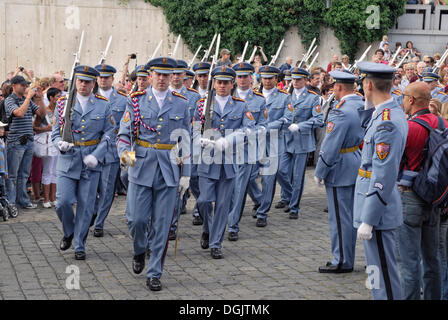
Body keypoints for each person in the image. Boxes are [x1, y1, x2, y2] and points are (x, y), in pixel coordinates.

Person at [117, 57, 191, 291]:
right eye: (157, 74)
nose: (161, 79)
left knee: (162, 225)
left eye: (166, 75)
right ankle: (140, 249)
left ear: (172, 77)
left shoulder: (181, 103)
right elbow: (124, 135)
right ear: (150, 76)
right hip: (141, 168)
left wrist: (186, 174)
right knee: (136, 220)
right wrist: (127, 160)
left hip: (169, 170)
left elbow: (185, 140)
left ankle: (155, 272)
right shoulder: (136, 101)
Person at [354, 61, 408, 300]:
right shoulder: (385, 113)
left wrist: (369, 217)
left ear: (368, 85)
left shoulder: (387, 121)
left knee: (384, 272)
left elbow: (383, 173)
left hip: (378, 210)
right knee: (375, 269)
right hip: (374, 206)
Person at [52, 65, 114, 261]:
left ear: (94, 83)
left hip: (91, 161)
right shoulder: (64, 103)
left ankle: (79, 244)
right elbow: (55, 132)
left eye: (87, 81)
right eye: (80, 81)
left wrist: (97, 154)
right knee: (62, 202)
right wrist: (58, 143)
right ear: (75, 81)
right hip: (68, 159)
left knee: (86, 206)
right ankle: (69, 231)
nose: (83, 85)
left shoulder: (103, 104)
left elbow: (109, 133)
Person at [194, 66, 255, 259]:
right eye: (219, 82)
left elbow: (248, 130)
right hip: (207, 160)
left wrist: (229, 140)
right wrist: (199, 139)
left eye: (226, 82)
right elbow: (194, 127)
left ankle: (215, 243)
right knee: (203, 201)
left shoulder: (240, 105)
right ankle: (207, 228)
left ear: (232, 84)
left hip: (228, 161)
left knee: (222, 205)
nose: (222, 86)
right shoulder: (203, 104)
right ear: (214, 83)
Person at [397, 81, 447, 299]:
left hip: (409, 197)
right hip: (435, 197)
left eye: (404, 97)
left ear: (411, 100)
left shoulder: (409, 128)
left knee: (408, 263)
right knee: (432, 258)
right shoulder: (441, 123)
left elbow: (396, 163)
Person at [315, 70, 364, 273]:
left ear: (339, 87)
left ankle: (342, 259)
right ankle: (345, 256)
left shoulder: (340, 110)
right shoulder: (361, 104)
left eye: (334, 85)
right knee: (350, 215)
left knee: (340, 218)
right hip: (355, 160)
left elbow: (331, 144)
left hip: (340, 165)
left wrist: (321, 170)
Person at [227, 62, 267, 241]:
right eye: (239, 76)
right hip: (225, 150)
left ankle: (232, 226)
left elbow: (263, 125)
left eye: (245, 76)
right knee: (227, 190)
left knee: (239, 188)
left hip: (246, 150)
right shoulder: (226, 95)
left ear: (251, 78)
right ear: (235, 78)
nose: (242, 79)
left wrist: (250, 133)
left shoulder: (259, 100)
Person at [90, 63, 129, 237]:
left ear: (113, 79)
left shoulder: (123, 99)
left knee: (107, 189)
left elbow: (129, 130)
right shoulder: (89, 97)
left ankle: (99, 223)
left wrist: (130, 159)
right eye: (100, 77)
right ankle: (93, 212)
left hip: (113, 151)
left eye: (107, 77)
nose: (103, 80)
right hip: (91, 151)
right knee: (90, 188)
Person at [254, 66, 293, 221]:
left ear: (276, 79)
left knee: (269, 177)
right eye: (265, 78)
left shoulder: (284, 97)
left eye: (271, 78)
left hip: (275, 140)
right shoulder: (254, 96)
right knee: (250, 177)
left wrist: (267, 128)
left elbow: (287, 118)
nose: (267, 81)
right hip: (255, 141)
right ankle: (260, 199)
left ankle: (262, 212)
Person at [168, 59, 201, 240]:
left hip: (184, 148)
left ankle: (172, 225)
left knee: (186, 183)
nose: (175, 77)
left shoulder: (194, 97)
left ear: (185, 76)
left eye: (179, 73)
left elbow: (195, 126)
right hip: (164, 148)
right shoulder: (161, 93)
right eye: (172, 73)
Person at [285, 68, 322, 218]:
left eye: (299, 79)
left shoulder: (313, 97)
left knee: (298, 175)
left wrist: (300, 126)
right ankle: (289, 197)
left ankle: (294, 207)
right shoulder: (287, 96)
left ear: (306, 81)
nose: (295, 82)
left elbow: (319, 119)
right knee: (283, 172)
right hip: (286, 139)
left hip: (302, 140)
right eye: (293, 79)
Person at [4, 75, 46, 209]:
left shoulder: (26, 100)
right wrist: (28, 97)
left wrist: (40, 98)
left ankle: (22, 200)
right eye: (22, 85)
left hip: (28, 141)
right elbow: (19, 113)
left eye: (25, 85)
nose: (25, 87)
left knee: (24, 174)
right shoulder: (9, 100)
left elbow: (41, 114)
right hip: (16, 142)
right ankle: (11, 202)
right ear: (14, 86)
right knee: (12, 175)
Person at [190, 61, 212, 226]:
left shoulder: (215, 94)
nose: (203, 78)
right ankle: (200, 204)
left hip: (213, 143)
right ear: (196, 77)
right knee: (193, 178)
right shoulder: (191, 95)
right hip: (193, 141)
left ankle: (200, 210)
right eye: (200, 76)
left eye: (206, 75)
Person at [33, 87, 61, 208]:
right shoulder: (44, 112)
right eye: (57, 96)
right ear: (51, 98)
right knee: (48, 170)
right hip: (46, 144)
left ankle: (53, 198)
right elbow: (35, 127)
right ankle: (46, 199)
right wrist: (46, 128)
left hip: (57, 143)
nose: (59, 98)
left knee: (55, 171)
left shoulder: (60, 110)